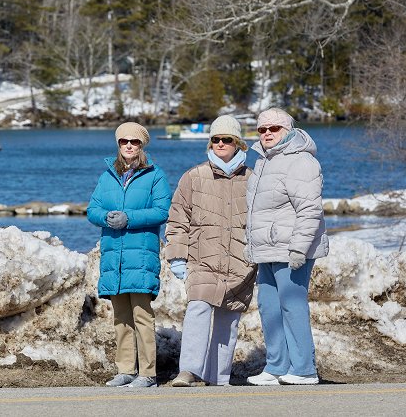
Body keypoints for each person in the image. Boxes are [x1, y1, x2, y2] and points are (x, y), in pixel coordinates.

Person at [165, 115, 257, 387]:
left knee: (228, 319)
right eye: (215, 139)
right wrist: (177, 255)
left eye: (226, 139)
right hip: (201, 259)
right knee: (198, 308)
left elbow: (261, 220)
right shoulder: (194, 177)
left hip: (240, 262)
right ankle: (188, 371)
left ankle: (219, 377)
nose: (219, 143)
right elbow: (177, 218)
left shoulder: (252, 178)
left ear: (237, 143)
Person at [245, 107, 329, 386]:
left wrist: (299, 249)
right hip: (267, 249)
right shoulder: (264, 161)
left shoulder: (301, 161)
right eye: (262, 129)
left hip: (292, 249)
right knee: (269, 307)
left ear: (288, 130)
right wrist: (251, 245)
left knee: (292, 306)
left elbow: (309, 209)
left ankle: (304, 368)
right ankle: (277, 365)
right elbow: (257, 210)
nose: (267, 133)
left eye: (274, 128)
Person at [87, 121, 171, 388]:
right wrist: (106, 217)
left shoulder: (155, 175)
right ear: (118, 145)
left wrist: (129, 218)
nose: (129, 146)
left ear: (142, 145)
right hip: (115, 257)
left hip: (142, 256)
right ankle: (125, 369)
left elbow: (162, 211)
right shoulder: (107, 176)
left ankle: (147, 373)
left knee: (142, 315)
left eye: (134, 142)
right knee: (121, 316)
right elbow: (92, 209)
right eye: (124, 142)